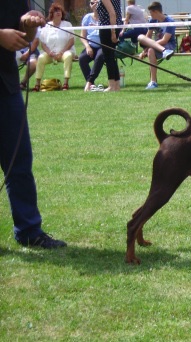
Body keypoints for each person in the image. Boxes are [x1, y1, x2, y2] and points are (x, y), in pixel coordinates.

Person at [0, 1, 67, 248]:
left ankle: (29, 230)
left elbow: (23, 37)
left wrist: (28, 26)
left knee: (19, 161)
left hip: (6, 86)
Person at [33, 3, 76, 91]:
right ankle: (37, 84)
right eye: (55, 11)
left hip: (64, 53)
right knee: (41, 58)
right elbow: (43, 44)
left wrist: (62, 52)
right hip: (50, 54)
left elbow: (71, 41)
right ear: (52, 14)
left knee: (68, 56)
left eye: (59, 11)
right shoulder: (47, 26)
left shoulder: (68, 25)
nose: (58, 12)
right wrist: (49, 53)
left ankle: (65, 83)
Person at [137, 2, 175, 90]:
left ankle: (165, 51)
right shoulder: (152, 20)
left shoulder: (170, 21)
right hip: (157, 46)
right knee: (141, 37)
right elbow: (148, 37)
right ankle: (153, 82)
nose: (150, 15)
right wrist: (145, 50)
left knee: (150, 49)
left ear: (156, 12)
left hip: (169, 46)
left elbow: (165, 40)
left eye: (151, 12)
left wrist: (147, 49)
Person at [97, 0, 123, 92]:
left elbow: (112, 13)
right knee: (111, 57)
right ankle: (116, 85)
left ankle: (111, 85)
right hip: (115, 26)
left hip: (108, 28)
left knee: (108, 57)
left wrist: (112, 32)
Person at [79, 0, 105, 92]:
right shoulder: (87, 17)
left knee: (100, 56)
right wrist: (87, 46)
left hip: (103, 45)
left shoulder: (104, 17)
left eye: (96, 3)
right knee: (82, 58)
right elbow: (82, 36)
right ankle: (92, 84)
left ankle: (89, 81)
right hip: (91, 45)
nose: (94, 5)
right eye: (91, 3)